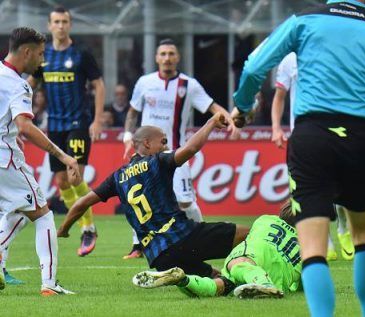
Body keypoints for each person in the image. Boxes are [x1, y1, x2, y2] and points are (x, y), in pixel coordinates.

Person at [232, 1, 365, 316]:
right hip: (358, 139)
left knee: (312, 247)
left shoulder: (303, 22)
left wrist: (242, 108)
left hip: (311, 137)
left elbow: (254, 66)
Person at [57, 113, 249, 278]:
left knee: (215, 277)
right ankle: (261, 274)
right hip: (182, 237)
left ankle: (218, 281)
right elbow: (190, 149)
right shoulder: (158, 161)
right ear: (147, 143)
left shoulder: (117, 178)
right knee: (248, 234)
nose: (166, 146)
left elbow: (81, 204)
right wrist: (211, 123)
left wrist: (64, 229)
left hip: (160, 257)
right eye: (163, 141)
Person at [121, 38, 239, 258]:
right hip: (145, 155)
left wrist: (231, 120)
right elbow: (132, 112)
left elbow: (213, 107)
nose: (167, 58)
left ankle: (205, 236)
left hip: (176, 153)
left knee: (185, 201)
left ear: (178, 58)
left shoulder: (189, 85)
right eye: (163, 54)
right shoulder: (144, 83)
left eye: (171, 54)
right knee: (138, 198)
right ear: (156, 58)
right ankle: (138, 246)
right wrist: (128, 136)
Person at [0, 27, 79, 295]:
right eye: (41, 54)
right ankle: (49, 284)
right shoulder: (17, 83)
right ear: (27, 52)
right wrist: (62, 154)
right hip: (4, 160)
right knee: (43, 215)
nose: (42, 60)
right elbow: (25, 126)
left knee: (17, 212)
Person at [27, 6, 105, 257]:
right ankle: (83, 226)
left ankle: (88, 228)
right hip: (55, 127)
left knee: (74, 177)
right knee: (61, 181)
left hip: (78, 124)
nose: (60, 26)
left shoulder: (81, 54)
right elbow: (31, 83)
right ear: (49, 26)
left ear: (70, 25)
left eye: (65, 22)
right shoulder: (43, 55)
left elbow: (98, 84)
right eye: (56, 22)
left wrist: (98, 120)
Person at [272, 52, 355, 261]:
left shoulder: (334, 52)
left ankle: (343, 228)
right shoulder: (289, 60)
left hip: (334, 131)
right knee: (311, 193)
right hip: (301, 137)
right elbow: (279, 96)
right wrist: (275, 127)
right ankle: (325, 241)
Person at [132, 200, 300, 299]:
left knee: (220, 283)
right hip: (276, 278)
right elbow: (300, 283)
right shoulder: (306, 247)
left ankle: (183, 280)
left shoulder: (266, 220)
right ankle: (265, 285)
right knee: (224, 285)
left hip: (250, 258)